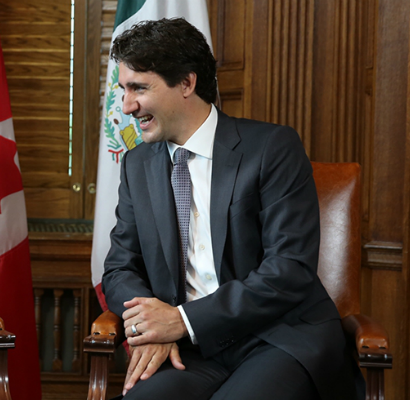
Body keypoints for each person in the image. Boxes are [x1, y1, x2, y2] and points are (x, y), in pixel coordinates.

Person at [101, 18, 364, 400]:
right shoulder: (137, 165)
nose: (126, 106)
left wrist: (181, 320)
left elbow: (288, 270)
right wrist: (148, 325)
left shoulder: (273, 147)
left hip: (277, 338)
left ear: (187, 84)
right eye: (123, 90)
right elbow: (120, 267)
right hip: (191, 351)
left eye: (139, 88)